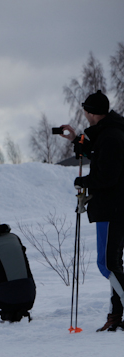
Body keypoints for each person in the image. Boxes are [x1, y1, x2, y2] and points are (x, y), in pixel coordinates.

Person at [59, 90, 124, 331]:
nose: (85, 115)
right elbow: (99, 156)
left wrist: (83, 182)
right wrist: (76, 140)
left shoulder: (111, 136)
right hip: (115, 206)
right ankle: (116, 315)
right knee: (114, 264)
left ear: (91, 112)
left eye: (86, 111)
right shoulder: (111, 132)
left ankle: (118, 314)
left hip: (112, 208)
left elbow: (107, 175)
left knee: (106, 264)